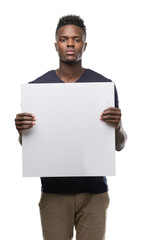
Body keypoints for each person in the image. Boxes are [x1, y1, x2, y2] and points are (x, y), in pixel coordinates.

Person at [15, 15, 127, 240]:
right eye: (64, 39)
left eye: (76, 39)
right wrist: (22, 132)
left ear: (84, 45)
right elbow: (29, 144)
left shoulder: (103, 86)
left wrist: (118, 125)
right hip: (54, 193)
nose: (69, 44)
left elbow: (119, 144)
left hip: (94, 193)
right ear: (56, 44)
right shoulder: (38, 88)